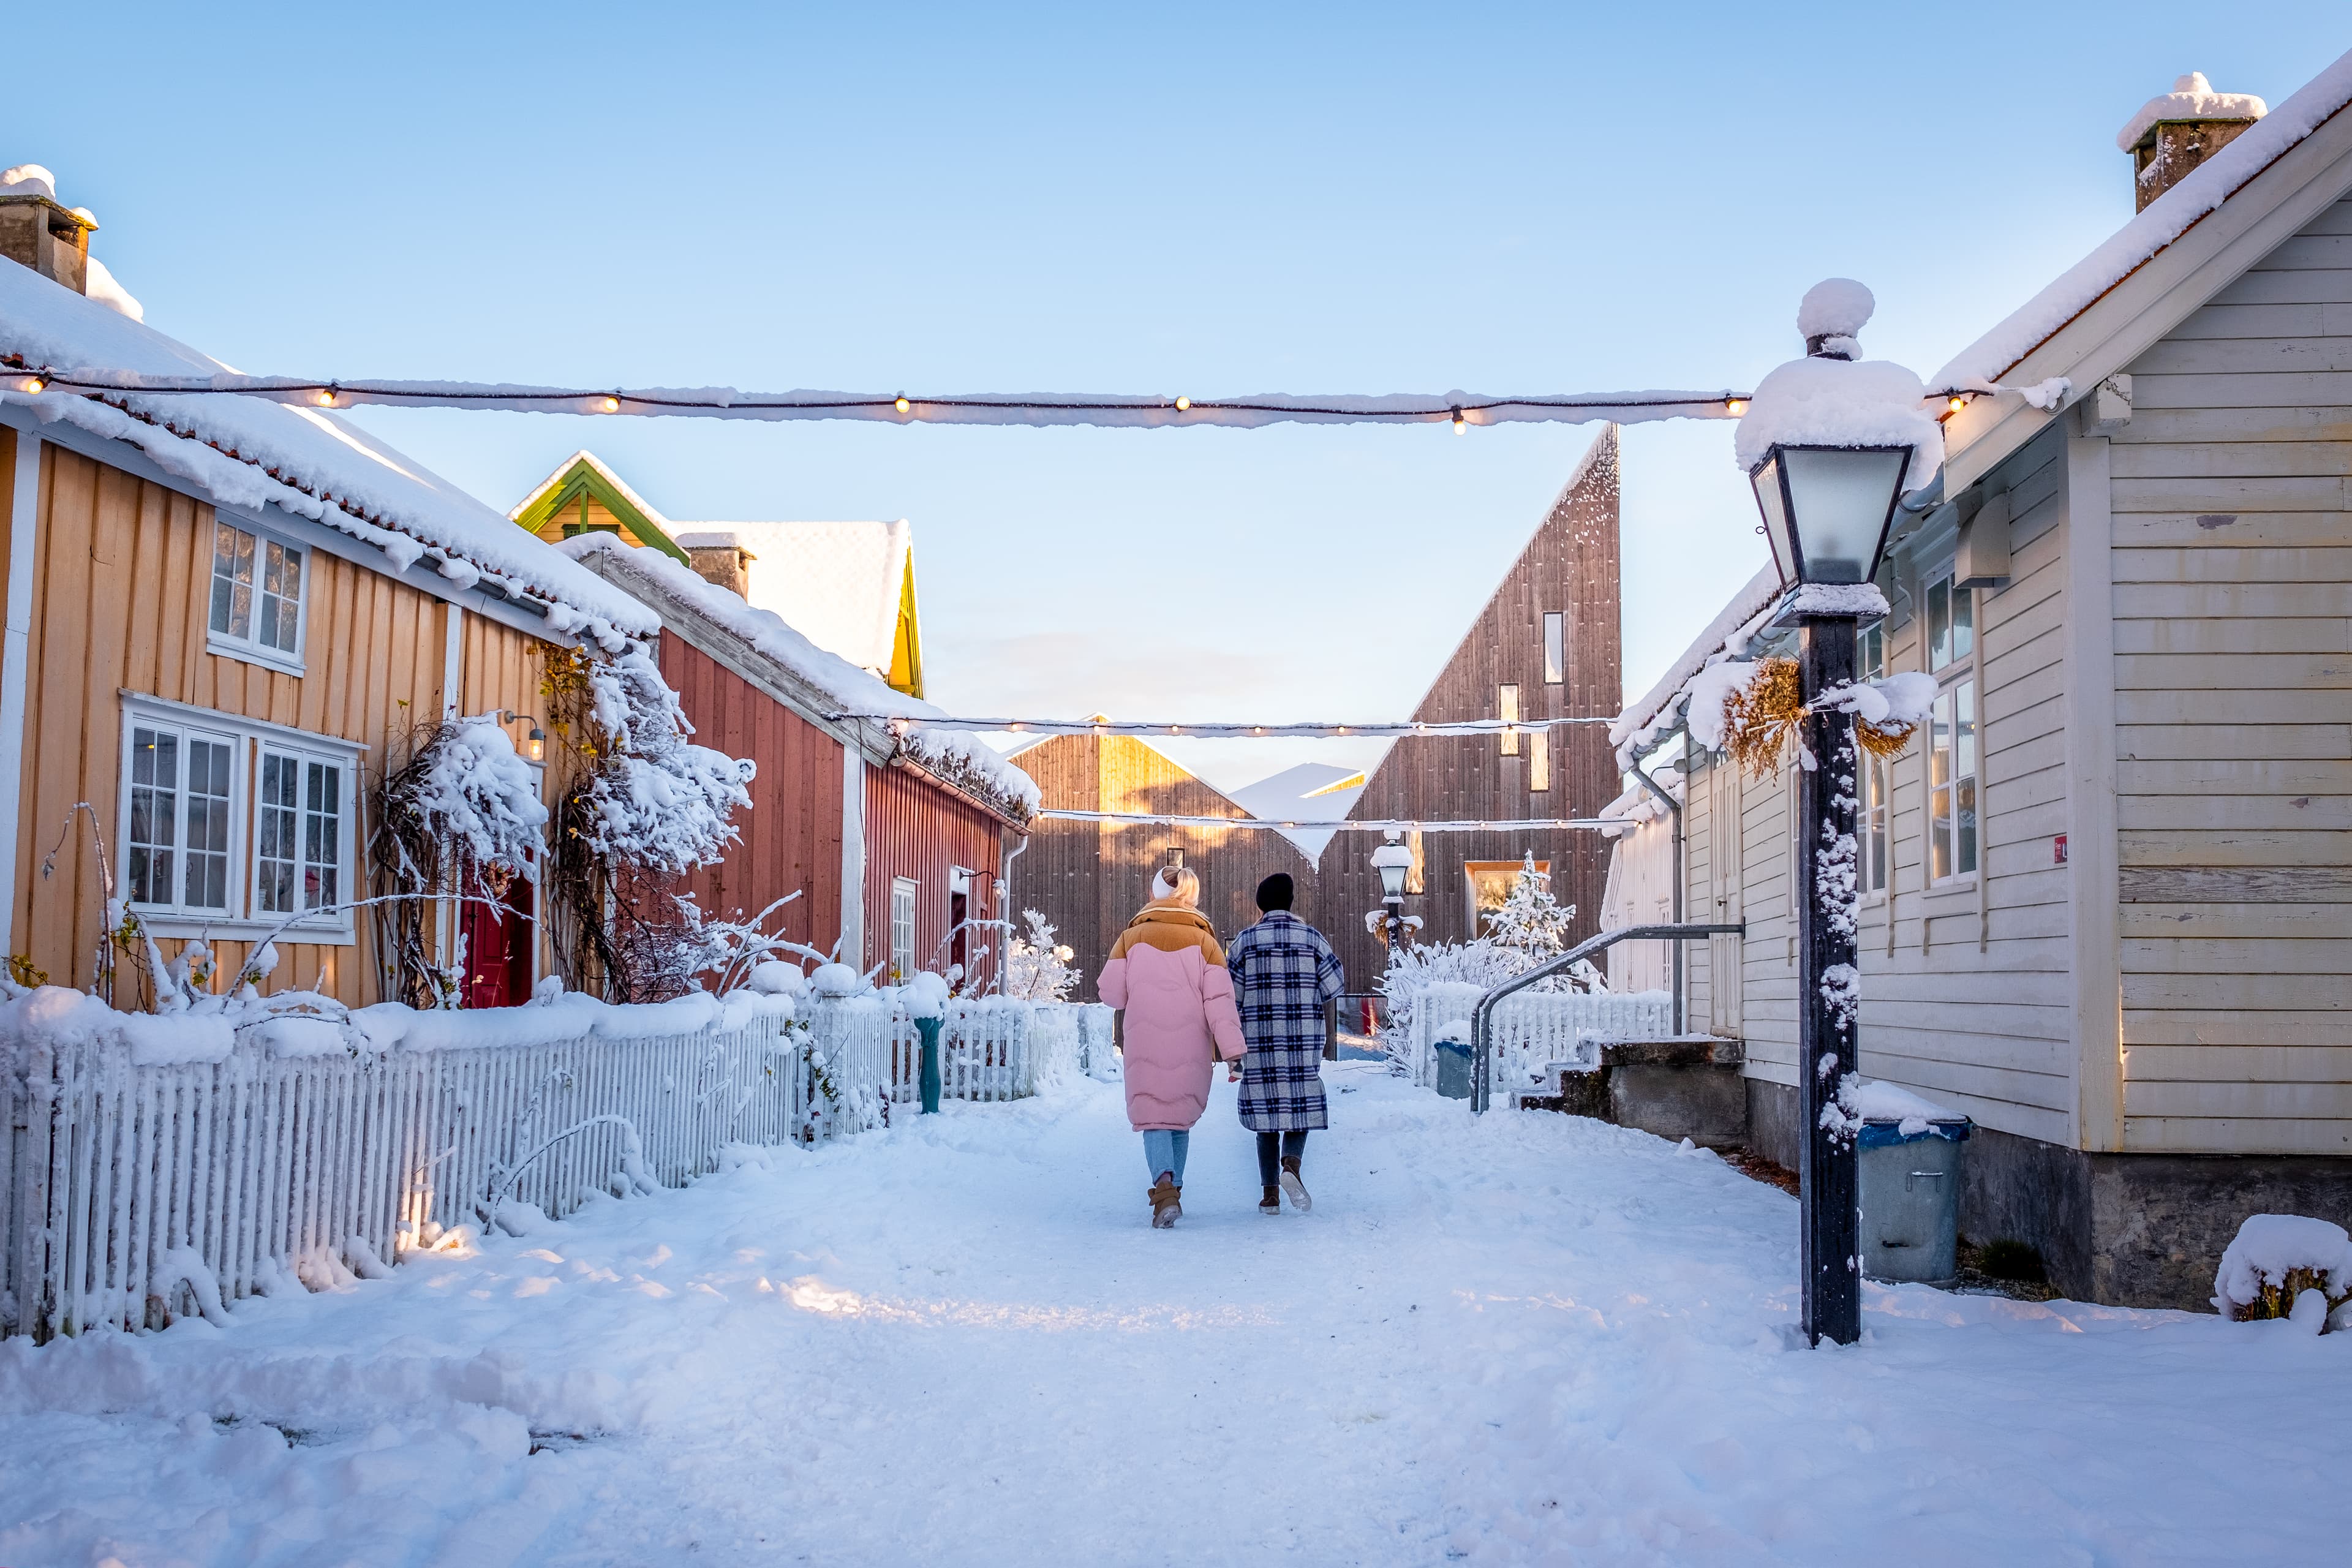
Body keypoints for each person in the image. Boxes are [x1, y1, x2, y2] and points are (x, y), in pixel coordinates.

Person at [1096, 865, 1245, 1228]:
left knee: (1154, 1117)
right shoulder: (1207, 943)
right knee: (1179, 1119)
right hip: (1191, 1044)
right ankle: (1173, 1191)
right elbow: (1221, 1003)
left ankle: (1166, 1191)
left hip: (1144, 1042)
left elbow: (1111, 994)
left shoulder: (1131, 938)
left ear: (1154, 895)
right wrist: (1233, 1054)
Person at [1226, 873, 1344, 1215]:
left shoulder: (1245, 942)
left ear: (1260, 905)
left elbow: (1231, 996)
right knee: (1299, 1105)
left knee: (1266, 1119)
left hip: (1258, 1042)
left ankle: (1270, 1196)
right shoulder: (1312, 938)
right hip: (1302, 1038)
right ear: (1291, 902)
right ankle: (1291, 1165)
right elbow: (1335, 985)